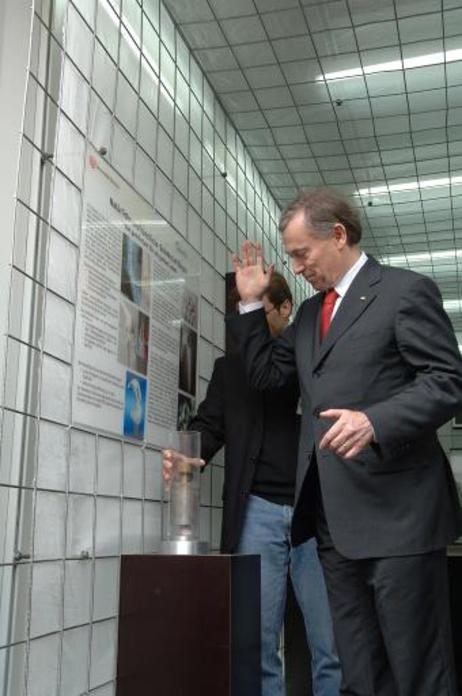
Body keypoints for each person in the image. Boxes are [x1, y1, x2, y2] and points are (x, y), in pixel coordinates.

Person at [229, 187, 462, 696]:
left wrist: (376, 421)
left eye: (300, 254)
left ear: (337, 235)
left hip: (400, 516)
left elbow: (447, 381)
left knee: (416, 668)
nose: (296, 267)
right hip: (335, 524)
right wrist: (250, 305)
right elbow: (269, 376)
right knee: (358, 670)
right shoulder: (311, 315)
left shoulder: (404, 291)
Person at [164, 272, 341, 696]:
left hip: (316, 514)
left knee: (332, 643)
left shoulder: (316, 360)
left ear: (285, 311)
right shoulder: (230, 370)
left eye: (263, 313)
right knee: (255, 642)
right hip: (256, 512)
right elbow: (210, 424)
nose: (254, 325)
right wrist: (196, 454)